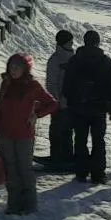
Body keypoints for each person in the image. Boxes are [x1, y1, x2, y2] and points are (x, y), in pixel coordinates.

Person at [0, 53, 58, 216]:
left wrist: (37, 115)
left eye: (17, 67)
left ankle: (29, 204)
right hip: (5, 134)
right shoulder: (6, 83)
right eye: (11, 66)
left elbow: (52, 103)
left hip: (24, 134)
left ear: (25, 69)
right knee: (11, 170)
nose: (13, 70)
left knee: (25, 169)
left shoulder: (33, 85)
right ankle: (13, 204)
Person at [62, 30, 111, 183]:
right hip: (99, 109)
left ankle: (81, 171)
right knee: (98, 141)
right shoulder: (105, 61)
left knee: (80, 140)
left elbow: (67, 85)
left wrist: (72, 102)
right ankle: (98, 174)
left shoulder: (75, 60)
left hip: (79, 109)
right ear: (98, 42)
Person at [42, 29, 75, 171]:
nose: (71, 44)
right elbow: (51, 83)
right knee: (56, 131)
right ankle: (56, 157)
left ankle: (67, 157)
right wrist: (57, 100)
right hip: (58, 103)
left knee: (68, 131)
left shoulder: (73, 57)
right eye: (69, 42)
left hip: (71, 103)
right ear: (62, 43)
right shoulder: (54, 60)